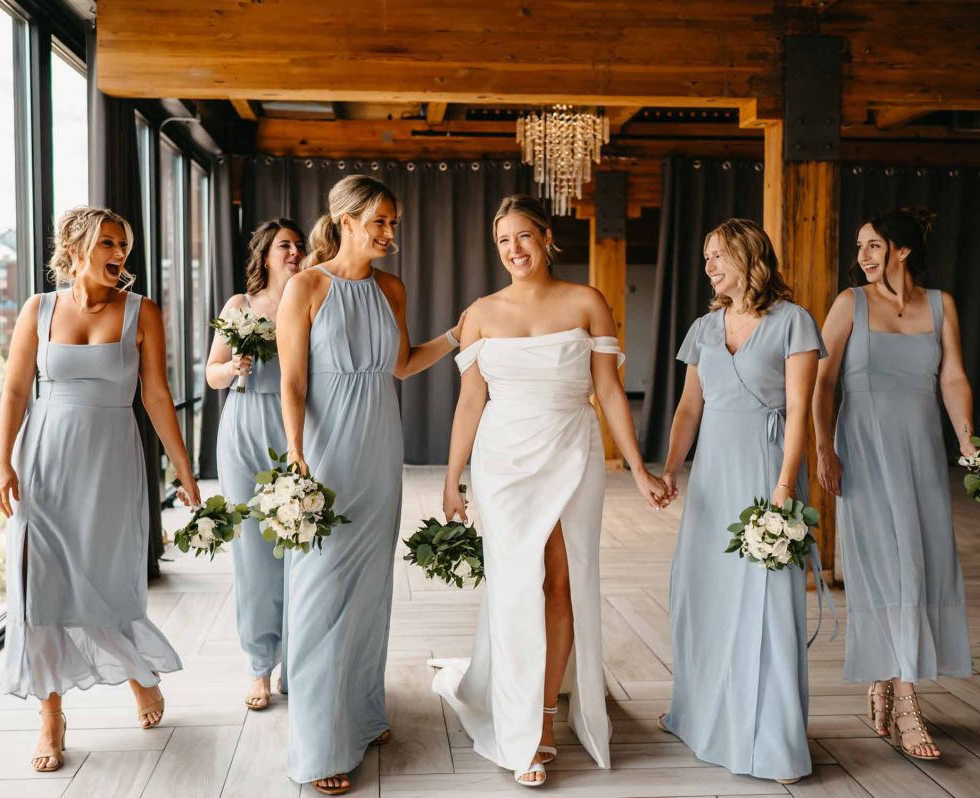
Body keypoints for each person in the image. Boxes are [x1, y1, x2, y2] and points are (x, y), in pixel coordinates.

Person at [432, 194, 666, 787]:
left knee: (563, 580)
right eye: (503, 241)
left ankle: (542, 722)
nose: (514, 250)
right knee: (515, 585)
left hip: (573, 448)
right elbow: (470, 401)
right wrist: (452, 476)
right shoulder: (480, 312)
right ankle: (511, 718)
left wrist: (638, 468)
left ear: (547, 238)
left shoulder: (587, 301)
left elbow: (609, 391)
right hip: (504, 459)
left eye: (523, 237)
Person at [0, 206, 199, 772]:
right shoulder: (38, 309)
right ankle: (50, 717)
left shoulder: (142, 312)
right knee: (40, 589)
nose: (118, 255)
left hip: (111, 463)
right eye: (108, 243)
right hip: (45, 462)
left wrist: (183, 467)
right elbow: (13, 391)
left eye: (124, 247)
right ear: (76, 247)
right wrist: (1, 462)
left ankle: (138, 674)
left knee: (106, 580)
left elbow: (156, 395)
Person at [276, 175, 463, 795]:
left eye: (393, 222)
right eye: (379, 221)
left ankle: (361, 710)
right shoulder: (305, 286)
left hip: (381, 448)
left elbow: (402, 364)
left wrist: (461, 336)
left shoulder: (391, 288)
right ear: (346, 220)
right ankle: (321, 740)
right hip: (327, 456)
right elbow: (294, 383)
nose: (389, 233)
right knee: (319, 591)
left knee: (369, 590)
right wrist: (298, 453)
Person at [657, 218, 826, 785]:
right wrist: (671, 468)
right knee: (702, 595)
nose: (708, 264)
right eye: (704, 256)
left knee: (767, 602)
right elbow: (688, 408)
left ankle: (771, 740)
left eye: (718, 254)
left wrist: (784, 487)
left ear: (750, 256)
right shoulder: (704, 327)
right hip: (712, 478)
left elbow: (801, 410)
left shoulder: (792, 322)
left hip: (764, 471)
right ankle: (703, 715)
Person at [812, 208, 974, 761]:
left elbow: (952, 375)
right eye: (859, 246)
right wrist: (822, 446)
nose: (863, 256)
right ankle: (907, 703)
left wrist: (970, 444)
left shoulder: (940, 304)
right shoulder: (849, 303)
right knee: (886, 565)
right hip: (865, 452)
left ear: (902, 250)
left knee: (921, 566)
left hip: (923, 452)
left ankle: (887, 677)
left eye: (874, 245)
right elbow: (822, 379)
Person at [206, 218, 305, 711]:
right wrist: (233, 367)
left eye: (299, 245)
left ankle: (298, 661)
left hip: (295, 430)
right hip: (244, 428)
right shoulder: (239, 307)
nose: (294, 251)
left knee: (300, 547)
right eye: (285, 245)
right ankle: (259, 666)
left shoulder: (313, 299)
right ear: (265, 255)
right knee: (252, 552)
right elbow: (211, 374)